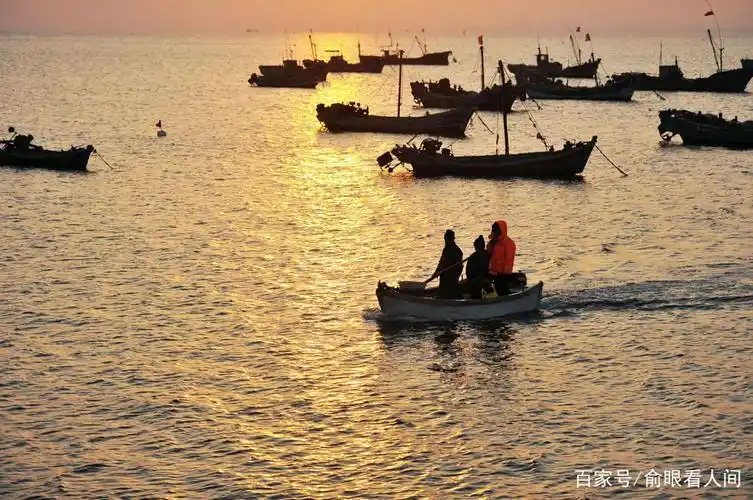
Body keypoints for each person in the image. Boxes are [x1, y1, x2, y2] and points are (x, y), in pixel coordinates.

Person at [429, 229, 463, 299]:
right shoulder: (445, 249)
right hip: (444, 276)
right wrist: (436, 272)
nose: (445, 241)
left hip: (451, 277)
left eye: (447, 239)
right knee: (443, 289)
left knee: (449, 291)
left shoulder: (457, 251)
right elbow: (441, 262)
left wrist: (453, 275)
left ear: (452, 239)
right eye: (445, 239)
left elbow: (459, 267)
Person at [487, 220, 516, 295]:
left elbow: (509, 259)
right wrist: (491, 243)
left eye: (495, 230)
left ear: (501, 230)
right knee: (494, 289)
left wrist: (506, 272)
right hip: (494, 272)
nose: (494, 232)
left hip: (503, 273)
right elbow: (489, 253)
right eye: (493, 230)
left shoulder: (509, 243)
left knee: (502, 290)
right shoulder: (494, 242)